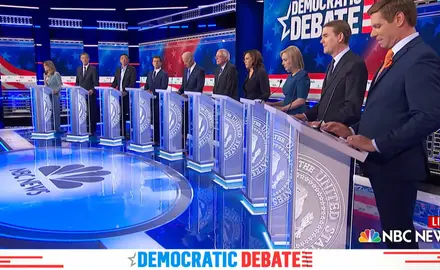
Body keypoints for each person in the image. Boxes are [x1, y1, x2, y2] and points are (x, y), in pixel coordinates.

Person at [322, 0, 440, 249]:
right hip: (383, 164)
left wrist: (376, 144)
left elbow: (429, 116)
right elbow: (386, 110)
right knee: (392, 231)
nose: (373, 33)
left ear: (398, 19)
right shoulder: (395, 57)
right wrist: (353, 131)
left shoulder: (420, 57)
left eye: (377, 26)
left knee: (399, 236)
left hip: (397, 165)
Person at [294, 20, 368, 127]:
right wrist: (305, 115)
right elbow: (325, 103)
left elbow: (352, 108)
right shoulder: (331, 65)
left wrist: (324, 123)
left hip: (337, 135)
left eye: (325, 36)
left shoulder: (355, 64)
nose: (321, 41)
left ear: (340, 37)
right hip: (323, 132)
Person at [266, 46, 310, 115]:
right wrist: (272, 104)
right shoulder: (290, 76)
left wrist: (282, 109)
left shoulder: (302, 76)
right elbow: (288, 100)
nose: (282, 63)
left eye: (285, 60)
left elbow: (301, 100)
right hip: (287, 115)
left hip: (296, 116)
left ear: (294, 60)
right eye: (282, 60)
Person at [144, 56, 169, 144]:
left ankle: (157, 139)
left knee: (157, 120)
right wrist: (146, 92)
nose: (156, 63)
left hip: (158, 101)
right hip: (149, 100)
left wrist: (154, 94)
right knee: (150, 119)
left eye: (158, 61)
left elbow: (163, 87)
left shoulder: (164, 74)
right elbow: (146, 86)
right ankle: (151, 136)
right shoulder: (150, 73)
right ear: (152, 63)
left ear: (161, 63)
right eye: (154, 61)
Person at [75, 52, 99, 135]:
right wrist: (76, 90)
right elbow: (77, 82)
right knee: (83, 112)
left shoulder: (93, 69)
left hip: (90, 94)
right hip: (81, 95)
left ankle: (92, 130)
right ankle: (83, 128)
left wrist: (92, 90)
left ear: (88, 59)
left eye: (86, 58)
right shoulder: (78, 69)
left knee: (91, 112)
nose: (84, 59)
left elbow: (96, 82)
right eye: (82, 58)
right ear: (80, 59)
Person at [111, 53, 137, 130]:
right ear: (120, 60)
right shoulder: (118, 70)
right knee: (120, 113)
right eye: (122, 58)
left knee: (128, 113)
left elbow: (132, 82)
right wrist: (110, 89)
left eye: (125, 58)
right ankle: (122, 131)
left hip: (127, 95)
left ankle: (131, 131)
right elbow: (115, 81)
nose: (124, 60)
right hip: (118, 95)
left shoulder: (132, 69)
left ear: (128, 60)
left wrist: (126, 92)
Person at [43, 60, 62, 132]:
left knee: (56, 112)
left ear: (49, 66)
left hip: (55, 95)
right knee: (49, 112)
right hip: (48, 96)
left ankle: (57, 128)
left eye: (45, 66)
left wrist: (55, 90)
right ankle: (50, 127)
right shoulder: (45, 75)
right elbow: (46, 86)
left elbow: (60, 85)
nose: (44, 67)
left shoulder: (56, 74)